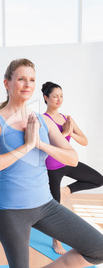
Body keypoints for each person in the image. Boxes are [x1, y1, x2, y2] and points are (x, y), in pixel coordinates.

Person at [0, 59, 103, 268]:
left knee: (98, 248)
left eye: (31, 80)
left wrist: (40, 144)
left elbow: (72, 158)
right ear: (7, 84)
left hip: (46, 206)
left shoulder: (43, 120)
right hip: (11, 211)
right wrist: (27, 146)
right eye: (21, 79)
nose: (27, 84)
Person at [41, 81, 103, 255]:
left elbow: (84, 141)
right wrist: (64, 134)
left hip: (67, 161)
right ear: (46, 98)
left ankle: (67, 190)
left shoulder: (67, 118)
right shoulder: (44, 119)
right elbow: (47, 144)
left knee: (98, 179)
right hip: (53, 165)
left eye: (61, 96)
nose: (59, 99)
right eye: (55, 96)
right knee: (56, 207)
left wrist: (71, 132)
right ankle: (56, 241)